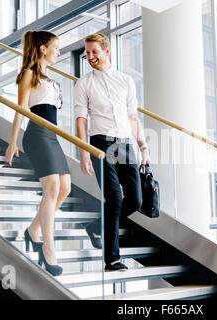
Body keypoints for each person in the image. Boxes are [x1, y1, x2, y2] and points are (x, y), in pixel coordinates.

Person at [73, 32, 150, 271]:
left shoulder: (126, 81)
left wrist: (143, 146)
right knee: (114, 198)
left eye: (94, 52)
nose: (90, 57)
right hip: (100, 144)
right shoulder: (84, 83)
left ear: (107, 51)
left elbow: (133, 117)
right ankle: (111, 259)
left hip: (125, 144)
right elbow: (81, 121)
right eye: (87, 53)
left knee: (135, 200)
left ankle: (96, 227)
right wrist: (83, 152)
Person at [5, 30, 71, 277]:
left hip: (51, 136)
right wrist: (13, 142)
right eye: (56, 47)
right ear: (43, 48)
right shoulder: (29, 74)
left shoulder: (48, 76)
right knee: (52, 187)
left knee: (65, 188)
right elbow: (20, 109)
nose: (59, 51)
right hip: (36, 135)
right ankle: (48, 248)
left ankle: (33, 229)